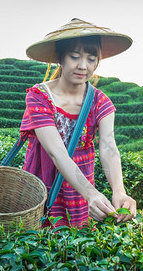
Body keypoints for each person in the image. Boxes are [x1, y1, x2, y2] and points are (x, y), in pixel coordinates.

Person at [20, 18, 136, 228]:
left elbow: (109, 147)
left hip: (79, 189)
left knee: (74, 249)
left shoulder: (100, 102)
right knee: (37, 244)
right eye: (75, 57)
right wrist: (91, 193)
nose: (83, 66)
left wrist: (119, 191)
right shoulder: (39, 97)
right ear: (60, 57)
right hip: (42, 184)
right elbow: (57, 153)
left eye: (91, 59)